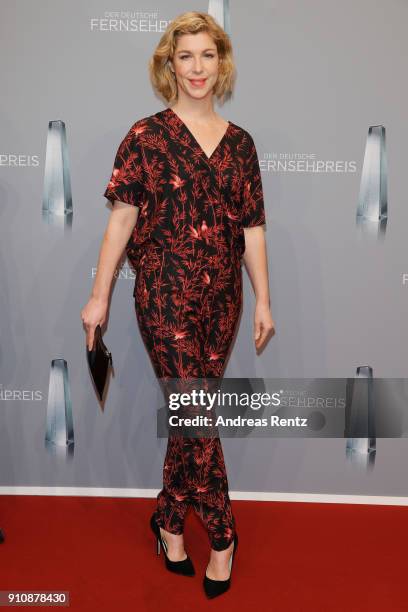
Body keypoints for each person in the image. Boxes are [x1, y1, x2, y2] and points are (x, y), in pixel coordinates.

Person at [81, 10, 275, 599]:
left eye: (207, 55)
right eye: (185, 56)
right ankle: (223, 536)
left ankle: (168, 519)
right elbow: (122, 218)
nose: (197, 68)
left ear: (223, 64)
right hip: (162, 296)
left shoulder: (241, 144)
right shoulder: (145, 136)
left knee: (192, 415)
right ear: (170, 64)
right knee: (199, 412)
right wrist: (99, 296)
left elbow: (253, 229)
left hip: (223, 301)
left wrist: (264, 298)